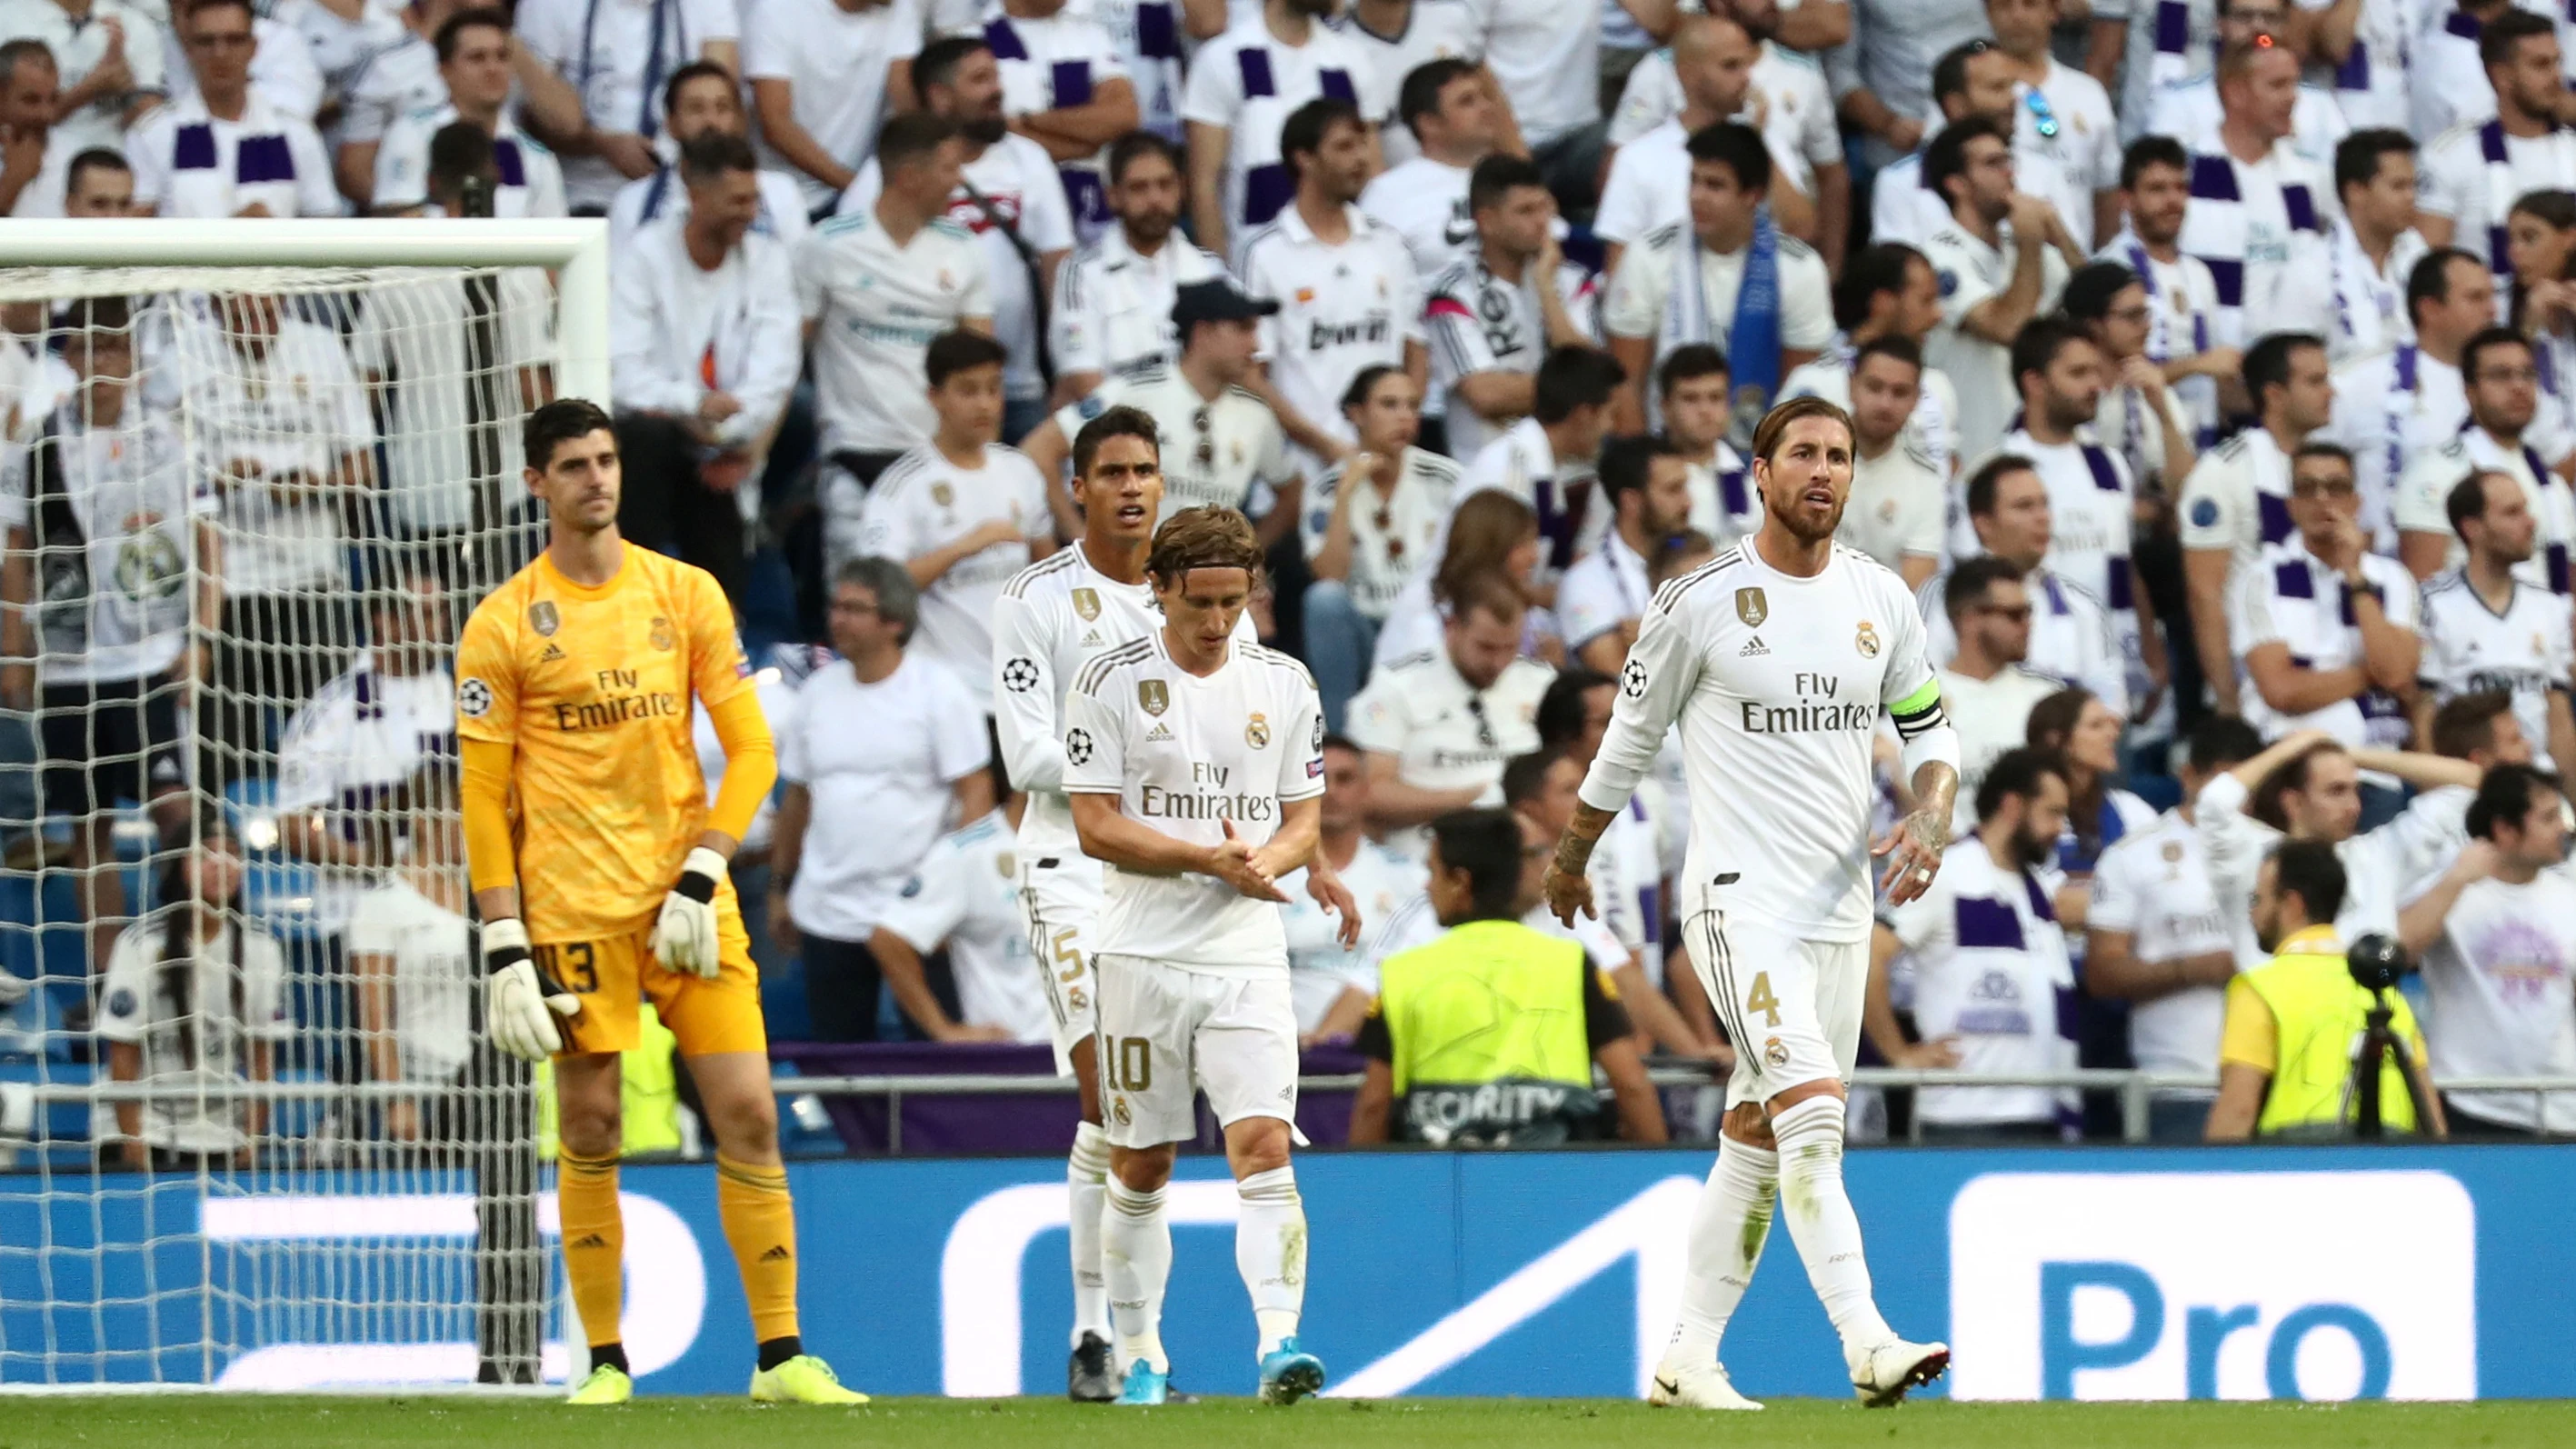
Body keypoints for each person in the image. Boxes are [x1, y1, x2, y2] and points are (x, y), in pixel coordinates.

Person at [1544, 395, 1960, 1409]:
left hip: (1836, 910)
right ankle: (1864, 1339)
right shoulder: (1697, 600)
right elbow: (1626, 741)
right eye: (1802, 454)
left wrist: (1933, 809)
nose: (1822, 471)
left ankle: (1685, 1356)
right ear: (1760, 475)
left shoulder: (1880, 599)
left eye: (1839, 456)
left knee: (1757, 1133)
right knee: (1814, 1119)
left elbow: (1929, 730)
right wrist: (1568, 857)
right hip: (1737, 905)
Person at [454, 399, 859, 1404]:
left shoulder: (685, 593)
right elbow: (480, 796)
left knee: (750, 1116)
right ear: (535, 484)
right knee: (590, 1125)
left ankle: (779, 1359)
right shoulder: (502, 623)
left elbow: (754, 747)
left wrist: (705, 866)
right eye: (574, 465)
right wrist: (505, 940)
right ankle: (603, 1362)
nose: (597, 478)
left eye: (606, 460)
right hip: (572, 913)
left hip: (687, 903)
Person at [989, 404, 1256, 1402]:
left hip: (1175, 864)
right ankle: (1094, 1334)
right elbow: (1023, 754)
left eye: (1146, 469)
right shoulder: (1034, 599)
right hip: (1069, 863)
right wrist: (1140, 769)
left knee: (1150, 1113)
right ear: (1079, 487)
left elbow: (1241, 726)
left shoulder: (1200, 590)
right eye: (1112, 473)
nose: (1133, 487)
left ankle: (1134, 1342)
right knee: (1107, 1089)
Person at [1061, 505, 1353, 1407]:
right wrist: (1206, 858)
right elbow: (1094, 823)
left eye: (1235, 601)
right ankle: (1142, 1352)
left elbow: (1303, 814)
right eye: (1201, 604)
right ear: (1158, 590)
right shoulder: (1107, 682)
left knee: (1262, 1141)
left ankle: (1279, 1344)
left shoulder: (1285, 682)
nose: (1220, 622)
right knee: (1141, 1160)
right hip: (1139, 953)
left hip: (1244, 953)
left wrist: (1280, 860)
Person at [1, 298, 210, 979]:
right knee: (88, 828)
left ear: (131, 358)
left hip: (151, 656)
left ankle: (190, 954)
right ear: (69, 359)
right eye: (88, 350)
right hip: (70, 663)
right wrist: (15, 650)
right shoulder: (36, 444)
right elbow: (18, 552)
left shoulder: (169, 438)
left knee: (176, 808)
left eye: (113, 348)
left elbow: (210, 539)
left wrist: (200, 635)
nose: (102, 364)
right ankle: (110, 978)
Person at [1348, 805, 1663, 1145]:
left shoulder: (1402, 973)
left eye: (1433, 872)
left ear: (1460, 881)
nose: (1427, 886)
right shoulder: (1571, 963)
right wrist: (1663, 1175)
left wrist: (1358, 1191)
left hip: (1439, 1184)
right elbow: (1630, 1083)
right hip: (1554, 1178)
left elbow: (1374, 1104)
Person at [771, 557, 992, 1042]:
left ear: (894, 621)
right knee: (840, 1069)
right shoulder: (816, 693)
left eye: (854, 608)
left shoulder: (939, 691)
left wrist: (950, 886)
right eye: (835, 606)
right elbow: (797, 800)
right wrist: (781, 888)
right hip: (827, 912)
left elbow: (976, 794)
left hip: (916, 917)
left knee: (937, 1062)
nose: (837, 619)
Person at [170, 291, 376, 788]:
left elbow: (363, 467)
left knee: (324, 737)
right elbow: (166, 474)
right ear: (217, 309)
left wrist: (315, 486)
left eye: (269, 312)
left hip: (310, 578)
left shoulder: (323, 349)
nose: (259, 326)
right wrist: (218, 480)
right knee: (225, 746)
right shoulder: (186, 356)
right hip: (228, 588)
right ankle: (229, 852)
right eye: (244, 315)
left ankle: (329, 850)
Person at [839, 34, 1074, 444]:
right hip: (922, 396)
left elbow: (1060, 268)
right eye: (980, 79)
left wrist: (1067, 364)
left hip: (1017, 385)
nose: (997, 90)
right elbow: (849, 261)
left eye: (996, 77)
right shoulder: (888, 174)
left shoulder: (1027, 159)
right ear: (940, 96)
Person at [610, 132, 802, 603]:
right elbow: (624, 375)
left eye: (753, 199)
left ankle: (724, 628)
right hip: (654, 450)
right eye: (736, 200)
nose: (750, 212)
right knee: (648, 437)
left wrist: (724, 435)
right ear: (695, 196)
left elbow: (774, 373)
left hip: (728, 451)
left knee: (719, 479)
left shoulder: (767, 260)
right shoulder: (645, 256)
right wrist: (693, 407)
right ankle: (629, 596)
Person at [351, 128, 555, 557]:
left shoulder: (396, 264)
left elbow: (364, 387)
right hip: (506, 494)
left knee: (430, 625)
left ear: (430, 183)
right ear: (496, 178)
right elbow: (530, 391)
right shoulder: (522, 267)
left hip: (419, 492)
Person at [1866, 746, 2078, 1142]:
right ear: (2013, 805)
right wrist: (1898, 1055)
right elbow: (1865, 957)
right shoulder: (1946, 873)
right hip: (1962, 1117)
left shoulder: (2033, 891)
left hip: (2039, 1112)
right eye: (2052, 812)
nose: (2059, 828)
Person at [844, 329, 1054, 711]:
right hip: (945, 696)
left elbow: (1048, 570)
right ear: (935, 397)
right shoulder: (903, 486)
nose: (986, 405)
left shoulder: (1020, 471)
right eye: (968, 391)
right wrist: (963, 547)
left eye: (994, 389)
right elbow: (880, 590)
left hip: (1022, 690)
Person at [795, 112, 994, 490]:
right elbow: (789, 353)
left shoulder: (965, 249)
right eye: (949, 168)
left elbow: (981, 366)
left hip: (939, 457)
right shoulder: (826, 246)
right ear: (910, 177)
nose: (959, 181)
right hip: (854, 453)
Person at [1979, 315, 2167, 711]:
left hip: (2109, 671)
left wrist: (2150, 649)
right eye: (2078, 373)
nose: (2095, 386)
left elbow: (2122, 560)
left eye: (2096, 373)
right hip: (2034, 667)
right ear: (2034, 383)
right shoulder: (2001, 469)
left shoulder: (2109, 464)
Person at [2087, 714, 2261, 1141]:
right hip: (2176, 1084)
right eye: (2222, 782)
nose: (2233, 799)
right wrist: (2193, 970)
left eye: (2245, 787)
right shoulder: (2133, 855)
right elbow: (2101, 974)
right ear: (2188, 776)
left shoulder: (2278, 852)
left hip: (2273, 1081)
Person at [2203, 840, 2445, 1140]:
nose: (2252, 914)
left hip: (2296, 1164)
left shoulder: (2259, 988)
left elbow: (2238, 1111)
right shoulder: (2386, 992)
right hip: (2390, 1164)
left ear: (2292, 904)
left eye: (2257, 900)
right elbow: (2431, 1116)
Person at [1603, 123, 1832, 440]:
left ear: (1752, 196)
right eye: (1693, 181)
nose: (1697, 197)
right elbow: (1626, 382)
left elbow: (1800, 392)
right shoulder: (1648, 256)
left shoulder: (1799, 268)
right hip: (1665, 448)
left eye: (1715, 186)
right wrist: (1648, 469)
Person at [1236, 96, 1425, 477]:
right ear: (1303, 158)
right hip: (1305, 468)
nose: (1361, 159)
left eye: (1362, 145)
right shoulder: (1265, 254)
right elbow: (1252, 374)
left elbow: (1415, 352)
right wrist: (1327, 446)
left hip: (1389, 466)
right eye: (1344, 147)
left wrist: (1397, 430)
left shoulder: (1388, 244)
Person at [1023, 277, 1298, 539]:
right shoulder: (1135, 392)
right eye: (1243, 329)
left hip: (1211, 578)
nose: (1256, 345)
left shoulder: (1256, 415)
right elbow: (1038, 450)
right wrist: (1081, 540)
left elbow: (1293, 491)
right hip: (1136, 575)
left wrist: (1253, 553)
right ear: (1203, 333)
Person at [271, 565, 455, 955]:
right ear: (383, 620)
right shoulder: (331, 711)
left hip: (452, 918)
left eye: (438, 612)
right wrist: (383, 867)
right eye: (422, 614)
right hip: (356, 924)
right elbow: (292, 826)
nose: (436, 626)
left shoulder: (462, 700)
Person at [96, 813, 290, 1170]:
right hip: (147, 1125)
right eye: (206, 854)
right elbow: (121, 1053)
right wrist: (133, 1141)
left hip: (220, 1129)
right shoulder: (139, 944)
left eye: (232, 853)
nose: (221, 865)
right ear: (179, 867)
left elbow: (262, 1056)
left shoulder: (262, 948)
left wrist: (253, 1138)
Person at [2193, 728, 2483, 968]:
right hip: (2278, 1032)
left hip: (2367, 1032)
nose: (2354, 806)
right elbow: (2213, 803)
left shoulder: (2377, 854)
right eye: (2336, 791)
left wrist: (2348, 754)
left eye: (2355, 790)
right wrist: (2294, 747)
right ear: (2293, 802)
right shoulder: (2251, 856)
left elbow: (2475, 782)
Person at [1605, 6, 1846, 272]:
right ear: (1687, 73)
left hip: (1754, 301)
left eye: (1747, 65)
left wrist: (1755, 145)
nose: (1747, 78)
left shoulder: (1764, 143)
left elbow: (1802, 229)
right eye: (1731, 66)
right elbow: (1619, 268)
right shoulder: (1638, 159)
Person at [2409, 763, 2576, 1136]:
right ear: (2504, 829)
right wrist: (2455, 880)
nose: (2564, 830)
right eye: (2549, 819)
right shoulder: (2450, 890)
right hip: (2473, 1102)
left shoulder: (2569, 897)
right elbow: (2398, 954)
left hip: (2562, 1103)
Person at [2230, 441, 2420, 752]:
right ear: (2291, 505)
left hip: (2377, 762)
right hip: (2289, 757)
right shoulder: (2261, 577)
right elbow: (2281, 691)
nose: (2321, 499)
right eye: (2307, 488)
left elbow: (2396, 672)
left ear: (2356, 502)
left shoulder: (2393, 578)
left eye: (2336, 487)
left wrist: (2356, 578)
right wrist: (2372, 675)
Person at [2180, 331, 2333, 715]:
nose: (2331, 392)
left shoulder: (2330, 468)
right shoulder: (2223, 471)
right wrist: (2227, 698)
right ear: (2275, 394)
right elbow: (2205, 595)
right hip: (2255, 681)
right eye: (2315, 382)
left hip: (2324, 671)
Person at [1349, 570, 1554, 853]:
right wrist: (1469, 802)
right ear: (1452, 626)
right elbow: (1369, 793)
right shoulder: (1395, 686)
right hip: (1429, 856)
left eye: (1510, 647)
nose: (1498, 663)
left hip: (1526, 855)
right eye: (1485, 647)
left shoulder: (1542, 682)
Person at [1301, 365, 1459, 729]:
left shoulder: (1446, 479)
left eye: (1412, 405)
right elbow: (1329, 575)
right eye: (1389, 405)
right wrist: (1346, 494)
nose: (1404, 416)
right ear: (1356, 414)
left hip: (1426, 623)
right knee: (1322, 601)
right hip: (1362, 627)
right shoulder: (1325, 488)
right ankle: (1338, 740)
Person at [1922, 116, 2078, 464]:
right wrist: (2032, 243)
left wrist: (2059, 234)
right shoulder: (1938, 255)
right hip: (1972, 448)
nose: (2009, 173)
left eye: (2008, 160)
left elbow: (2096, 306)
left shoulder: (2020, 247)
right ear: (1957, 184)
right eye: (1993, 164)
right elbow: (2007, 327)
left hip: (2035, 446)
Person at [2319, 249, 2502, 541]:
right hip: (2391, 564)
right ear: (2429, 308)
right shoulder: (2361, 382)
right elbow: (2312, 466)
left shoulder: (2511, 382)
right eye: (2476, 298)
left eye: (2491, 297)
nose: (2493, 310)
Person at [1425, 153, 1596, 464]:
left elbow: (1594, 380)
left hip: (1572, 472)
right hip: (1492, 476)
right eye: (1525, 211)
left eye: (1544, 207)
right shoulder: (1452, 294)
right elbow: (1485, 395)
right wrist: (1571, 392)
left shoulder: (1572, 280)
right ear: (1487, 221)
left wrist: (1546, 290)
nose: (1541, 221)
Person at [1923, 456, 2130, 714]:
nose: (2042, 517)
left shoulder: (2082, 605)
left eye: (2045, 505)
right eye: (2024, 507)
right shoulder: (1943, 596)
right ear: (1983, 524)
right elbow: (1919, 687)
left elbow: (2110, 703)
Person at [345, 754, 480, 1147]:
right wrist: (397, 1099)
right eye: (464, 816)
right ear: (425, 821)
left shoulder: (487, 896)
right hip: (426, 1088)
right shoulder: (382, 904)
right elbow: (375, 1018)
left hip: (490, 1084)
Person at [1183, 0, 1385, 259]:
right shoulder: (1222, 58)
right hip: (1257, 261)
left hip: (1349, 254)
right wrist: (1221, 277)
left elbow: (1373, 172)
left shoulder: (1350, 57)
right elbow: (1205, 183)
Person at [2176, 35, 2339, 350]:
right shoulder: (2186, 175)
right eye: (2278, 86)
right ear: (2236, 93)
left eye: (2294, 85)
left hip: (2283, 361)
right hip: (2211, 357)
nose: (2292, 98)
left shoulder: (2309, 177)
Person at [2416, 470, 2576, 781]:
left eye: (2526, 510)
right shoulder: (2433, 603)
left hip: (2536, 779)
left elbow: (2557, 716)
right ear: (2472, 528)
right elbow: (2423, 711)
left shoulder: (2549, 606)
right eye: (2512, 513)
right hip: (2470, 782)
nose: (2530, 522)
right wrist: (2436, 794)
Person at [866, 780, 1049, 1045]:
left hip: (1093, 1064)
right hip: (1011, 1061)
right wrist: (942, 1030)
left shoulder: (1103, 854)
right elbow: (889, 937)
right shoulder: (969, 854)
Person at [512, 0, 738, 214]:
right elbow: (529, 117)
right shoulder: (548, 5)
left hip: (682, 194)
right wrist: (600, 144)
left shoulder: (708, 5)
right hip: (582, 195)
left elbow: (722, 106)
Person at [1870, 36, 2086, 255]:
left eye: (2012, 86)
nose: (2013, 99)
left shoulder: (2044, 172)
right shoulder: (1900, 183)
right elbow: (1899, 274)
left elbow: (2077, 263)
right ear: (1956, 105)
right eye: (1997, 88)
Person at [2394, 325, 2576, 585]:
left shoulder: (2552, 486)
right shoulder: (2435, 472)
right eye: (2501, 375)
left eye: (2527, 374)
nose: (2519, 386)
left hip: (2546, 624)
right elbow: (2420, 590)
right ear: (2470, 391)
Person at [1051, 132, 1225, 400]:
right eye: (1139, 188)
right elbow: (1083, 380)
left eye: (1165, 185)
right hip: (1118, 432)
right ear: (1113, 196)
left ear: (1181, 189)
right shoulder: (1081, 274)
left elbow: (1239, 368)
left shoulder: (1211, 270)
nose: (1155, 199)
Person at [1275, 733, 1427, 1040]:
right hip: (1283, 1056)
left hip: (1378, 1055)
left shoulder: (1412, 879)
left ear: (1367, 790)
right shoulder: (1265, 875)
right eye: (1318, 781)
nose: (1331, 792)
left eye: (1344, 779)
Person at [126, 0, 337, 217]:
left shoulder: (294, 133)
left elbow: (326, 226)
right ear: (188, 49)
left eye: (234, 40)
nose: (220, 53)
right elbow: (133, 236)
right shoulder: (155, 134)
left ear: (253, 47)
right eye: (206, 42)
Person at [2418, 9, 2576, 286]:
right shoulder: (2450, 156)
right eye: (2541, 65)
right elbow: (2428, 272)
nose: (2556, 77)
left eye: (2557, 63)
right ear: (2502, 76)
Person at [1780, 244, 1961, 485]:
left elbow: (1950, 477)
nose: (1938, 314)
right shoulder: (1816, 384)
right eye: (1925, 300)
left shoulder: (1938, 386)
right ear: (1884, 303)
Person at [2096, 135, 2231, 451]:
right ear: (2126, 199)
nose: (2173, 200)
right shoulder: (2109, 269)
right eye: (2157, 189)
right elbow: (2119, 372)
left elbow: (2214, 366)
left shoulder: (2199, 274)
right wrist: (2198, 365)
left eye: (2181, 188)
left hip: (2197, 438)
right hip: (2132, 440)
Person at [1458, 345, 1625, 591]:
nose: (1612, 428)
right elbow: (1485, 583)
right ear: (1584, 414)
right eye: (1611, 415)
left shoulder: (1545, 466)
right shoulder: (1511, 468)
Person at [371, 8, 565, 217]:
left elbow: (558, 241)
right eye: (477, 58)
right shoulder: (412, 133)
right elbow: (397, 222)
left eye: (502, 57)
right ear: (445, 70)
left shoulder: (537, 158)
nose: (493, 68)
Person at [608, 61, 813, 253]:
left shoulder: (781, 193)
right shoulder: (632, 204)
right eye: (696, 109)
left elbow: (801, 281)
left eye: (722, 108)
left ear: (739, 121)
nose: (711, 121)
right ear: (671, 124)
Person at [743, 0, 923, 216]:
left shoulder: (899, 7)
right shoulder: (777, 9)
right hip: (779, 201)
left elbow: (905, 108)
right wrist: (859, 189)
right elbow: (775, 125)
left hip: (854, 195)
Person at [981, 0, 1138, 245]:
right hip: (1012, 204)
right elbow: (992, 134)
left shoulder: (1088, 32)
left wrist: (1027, 120)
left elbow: (1124, 117)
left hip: (1090, 205)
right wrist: (1084, 144)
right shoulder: (974, 38)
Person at [1936, 556, 2066, 830]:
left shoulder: (2047, 699)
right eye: (2014, 615)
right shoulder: (1917, 701)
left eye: (2029, 612)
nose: (2027, 624)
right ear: (1970, 620)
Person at [1984, 0, 2122, 249]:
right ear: (1988, 13)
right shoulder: (1973, 93)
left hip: (2074, 266)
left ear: (2053, 11)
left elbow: (2107, 197)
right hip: (1996, 265)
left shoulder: (2089, 94)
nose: (2017, 16)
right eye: (2004, 5)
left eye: (2030, 4)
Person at [1358, 55, 1506, 283]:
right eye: (1467, 101)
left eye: (1485, 97)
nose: (1486, 108)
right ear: (1429, 123)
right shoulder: (1388, 194)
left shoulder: (1511, 176)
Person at [1368, 486, 1550, 672]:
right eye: (1524, 545)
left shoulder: (1520, 605)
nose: (1534, 556)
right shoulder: (1426, 605)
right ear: (1492, 545)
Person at [2061, 260, 2197, 506]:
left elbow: (2185, 493)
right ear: (2094, 325)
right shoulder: (2062, 390)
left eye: (2145, 314)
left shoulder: (2151, 386)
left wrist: (2164, 415)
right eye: (2133, 316)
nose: (2146, 326)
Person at [1560, 433, 1691, 675]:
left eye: (1685, 488)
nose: (1688, 503)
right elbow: (1622, 679)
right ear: (1632, 501)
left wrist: (1655, 636)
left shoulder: (1703, 560)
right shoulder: (1585, 583)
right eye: (1674, 490)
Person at [2295, 128, 2427, 365]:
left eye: (2413, 186)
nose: (2411, 197)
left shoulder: (2419, 256)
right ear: (2356, 191)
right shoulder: (2309, 272)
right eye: (2398, 187)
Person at [0, 0, 162, 155]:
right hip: (31, 169)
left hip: (112, 167)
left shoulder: (132, 23)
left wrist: (130, 93)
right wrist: (87, 90)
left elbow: (151, 121)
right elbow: (12, 122)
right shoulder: (7, 19)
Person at [1657, 344, 1757, 544]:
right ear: (1665, 407)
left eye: (1715, 398)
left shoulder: (1751, 477)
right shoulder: (1640, 475)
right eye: (1690, 399)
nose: (1705, 410)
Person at [0, 38, 72, 217]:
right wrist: (12, 183)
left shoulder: (76, 157)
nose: (46, 114)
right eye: (31, 100)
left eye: (54, 99)